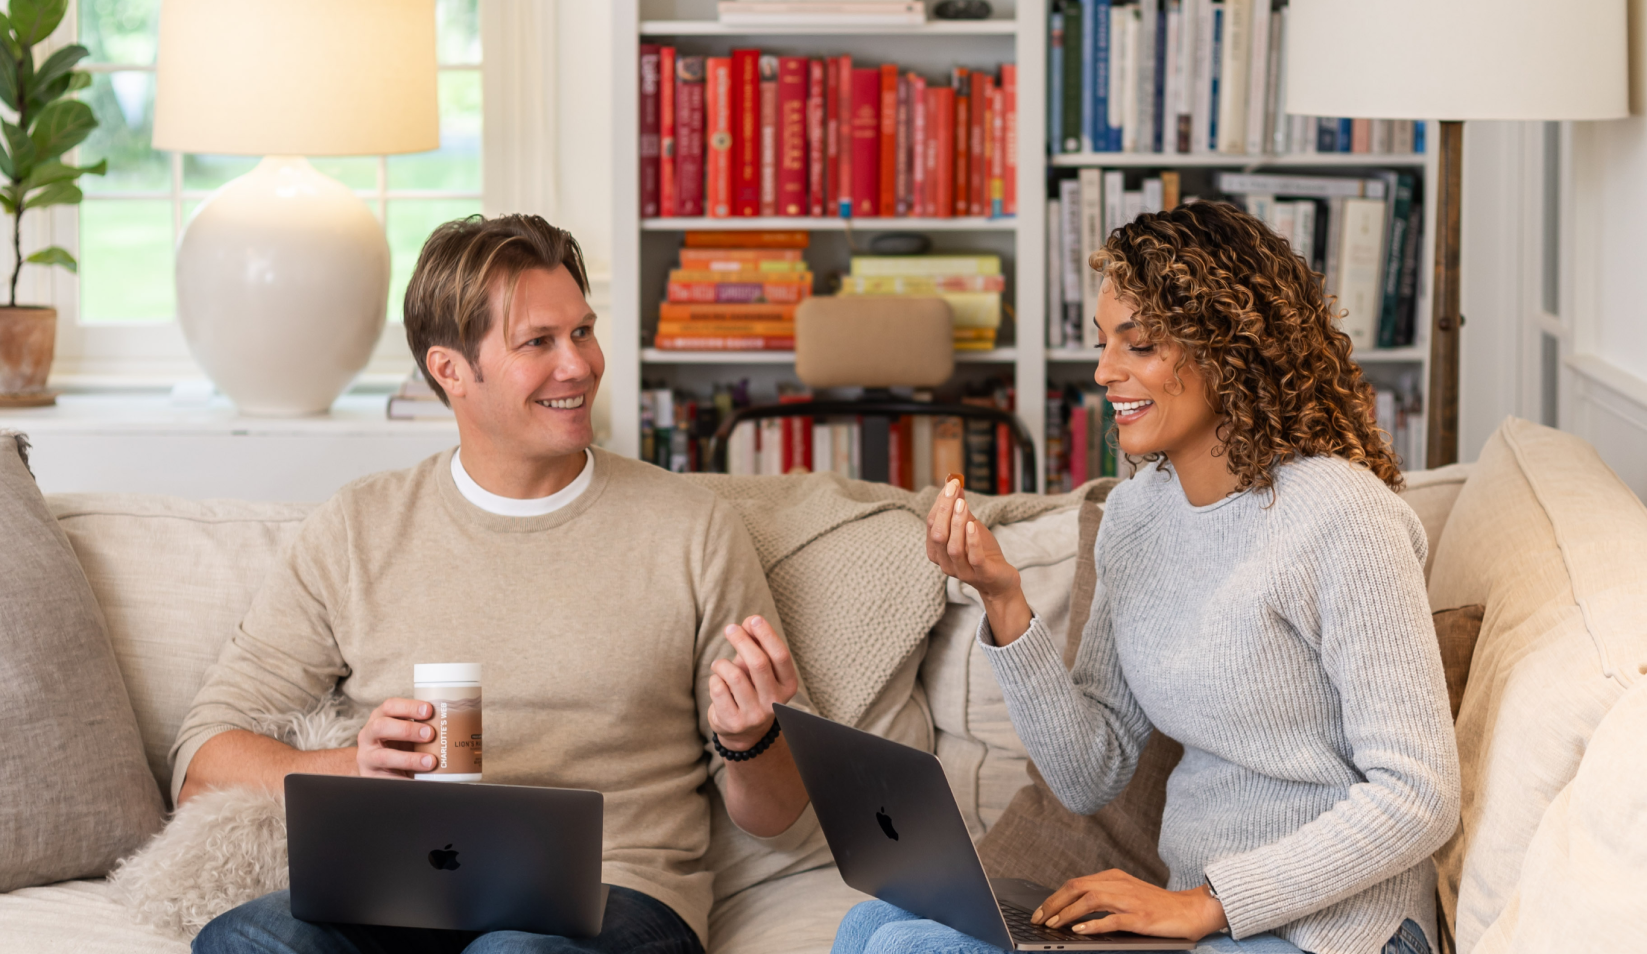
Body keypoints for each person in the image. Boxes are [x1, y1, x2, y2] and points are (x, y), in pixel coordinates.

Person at [178, 214, 813, 954]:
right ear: (450, 370)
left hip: (612, 897)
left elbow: (778, 814)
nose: (577, 365)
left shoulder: (690, 529)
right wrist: (354, 767)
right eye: (538, 343)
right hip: (399, 888)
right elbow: (202, 760)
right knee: (247, 941)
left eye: (582, 331)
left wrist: (751, 737)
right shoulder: (358, 527)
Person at [835, 202, 1460, 954]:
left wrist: (1205, 903)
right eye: (1103, 345)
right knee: (872, 922)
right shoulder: (1136, 516)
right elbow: (1090, 773)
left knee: (916, 950)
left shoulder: (1341, 514)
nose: (1103, 372)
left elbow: (1420, 795)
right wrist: (1002, 599)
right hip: (1202, 918)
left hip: (1339, 927)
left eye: (1140, 345)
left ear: (1228, 350)